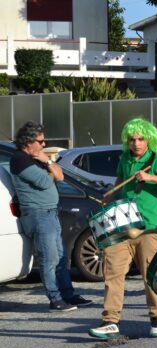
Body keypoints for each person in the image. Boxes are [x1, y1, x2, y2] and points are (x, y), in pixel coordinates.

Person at [88, 119, 157, 340]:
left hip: (149, 227)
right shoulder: (124, 158)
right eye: (132, 139)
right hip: (123, 225)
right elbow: (120, 180)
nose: (136, 143)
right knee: (113, 273)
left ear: (149, 139)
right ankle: (110, 321)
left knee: (150, 275)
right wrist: (111, 197)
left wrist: (150, 177)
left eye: (141, 139)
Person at [10, 121, 91, 311]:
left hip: (51, 213)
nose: (44, 144)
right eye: (40, 141)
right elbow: (45, 182)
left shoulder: (38, 158)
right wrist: (49, 167)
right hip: (38, 215)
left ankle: (68, 295)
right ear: (28, 142)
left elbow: (60, 176)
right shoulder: (20, 160)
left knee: (61, 257)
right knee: (49, 259)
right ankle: (55, 299)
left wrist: (47, 162)